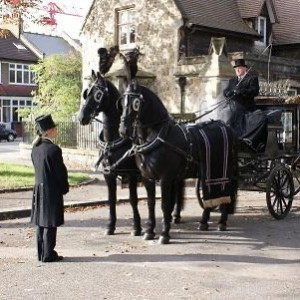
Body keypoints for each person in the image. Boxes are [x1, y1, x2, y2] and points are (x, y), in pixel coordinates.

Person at [31, 114, 69, 262]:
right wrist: (64, 187)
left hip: (38, 190)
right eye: (54, 128)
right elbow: (60, 172)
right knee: (50, 222)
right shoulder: (54, 150)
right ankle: (48, 253)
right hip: (51, 190)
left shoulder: (35, 149)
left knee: (41, 221)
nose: (56, 130)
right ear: (48, 131)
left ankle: (41, 252)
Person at [223, 58, 260, 137]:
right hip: (232, 107)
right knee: (223, 114)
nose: (237, 70)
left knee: (232, 122)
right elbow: (226, 90)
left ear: (245, 68)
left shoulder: (252, 79)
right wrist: (227, 93)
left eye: (239, 68)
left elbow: (255, 91)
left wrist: (241, 91)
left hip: (246, 107)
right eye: (236, 68)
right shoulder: (232, 80)